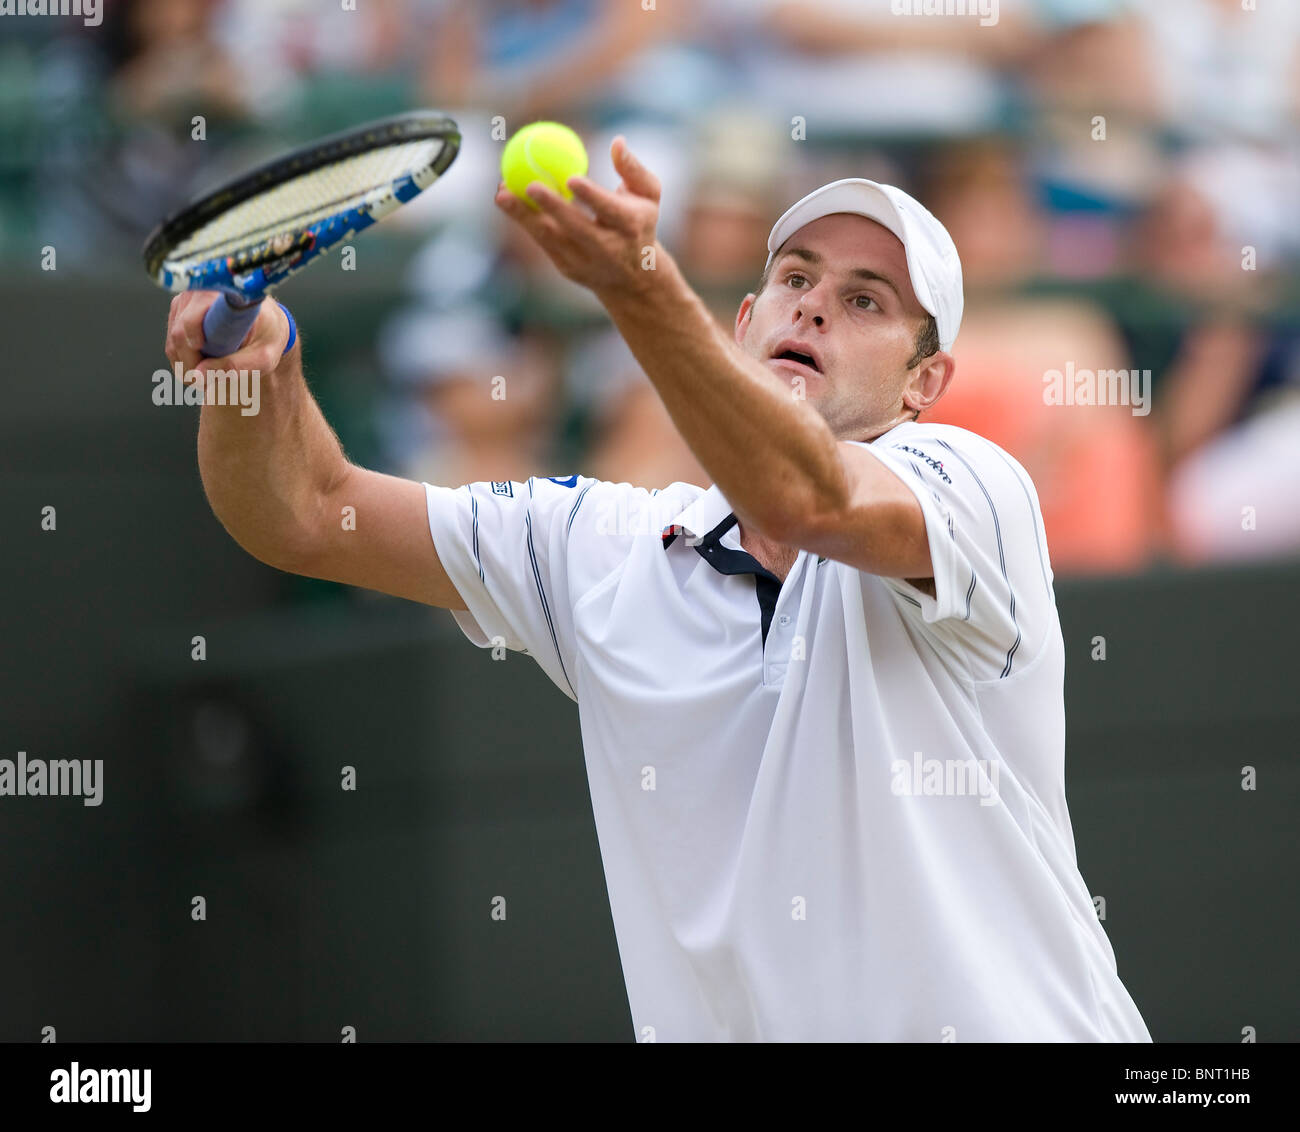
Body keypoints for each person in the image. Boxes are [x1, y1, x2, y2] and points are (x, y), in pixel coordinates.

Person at [163, 138, 1151, 1042]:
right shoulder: (599, 544)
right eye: (795, 279)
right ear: (744, 322)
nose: (811, 305)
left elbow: (807, 497)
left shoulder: (976, 491)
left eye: (865, 300)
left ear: (922, 384)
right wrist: (258, 376)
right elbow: (305, 511)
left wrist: (634, 287)